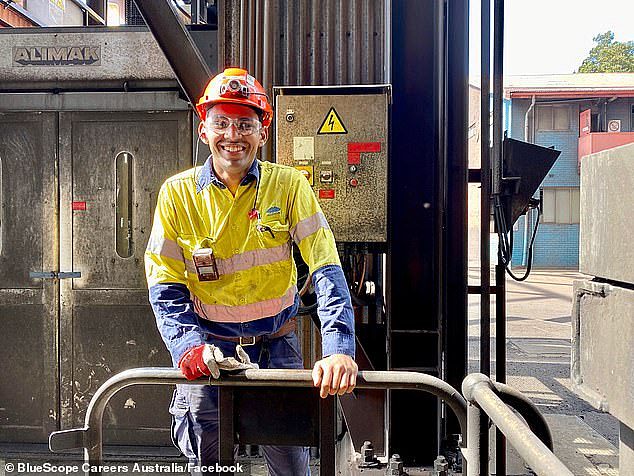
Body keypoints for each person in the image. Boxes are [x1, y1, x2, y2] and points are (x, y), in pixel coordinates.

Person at [145, 67, 358, 475]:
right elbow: (164, 284)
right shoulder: (177, 194)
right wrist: (186, 348)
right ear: (203, 129)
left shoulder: (289, 186)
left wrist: (339, 350)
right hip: (208, 350)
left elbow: (327, 268)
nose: (233, 134)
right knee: (209, 464)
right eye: (221, 122)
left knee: (292, 467)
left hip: (275, 348)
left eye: (245, 123)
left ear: (263, 132)